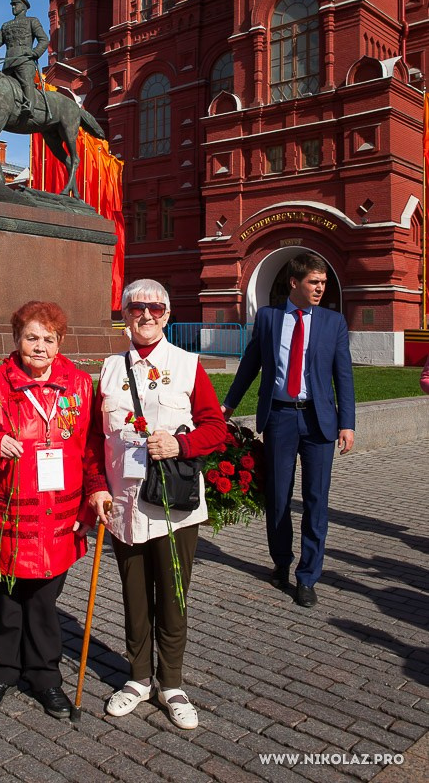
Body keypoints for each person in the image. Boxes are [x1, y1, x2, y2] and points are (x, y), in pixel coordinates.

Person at [86, 279, 227, 730]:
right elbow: (93, 439)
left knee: (173, 595)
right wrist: (96, 486)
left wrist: (182, 445)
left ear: (167, 315)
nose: (145, 316)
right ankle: (138, 677)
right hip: (124, 503)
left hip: (173, 505)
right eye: (135, 309)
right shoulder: (108, 370)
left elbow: (216, 428)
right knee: (132, 594)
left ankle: (172, 682)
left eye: (155, 309)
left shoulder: (187, 365)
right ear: (124, 315)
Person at [0, 301, 93, 720]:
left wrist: (95, 497)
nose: (40, 346)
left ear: (60, 343)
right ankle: (2, 671)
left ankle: (46, 677)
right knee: (10, 594)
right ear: (16, 340)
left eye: (49, 339)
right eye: (32, 337)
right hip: (12, 512)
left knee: (45, 597)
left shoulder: (80, 385)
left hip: (59, 512)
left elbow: (90, 448)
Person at [222, 252, 355, 609]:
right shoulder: (268, 319)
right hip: (280, 418)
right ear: (294, 283)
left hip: (319, 421)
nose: (320, 289)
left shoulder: (332, 322)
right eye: (314, 282)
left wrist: (347, 423)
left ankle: (308, 576)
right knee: (279, 496)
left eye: (323, 283)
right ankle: (281, 562)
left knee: (316, 500)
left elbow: (344, 374)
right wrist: (229, 404)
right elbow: (251, 363)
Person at [0, 0, 49, 114]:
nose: (13, 7)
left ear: (23, 7)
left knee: (26, 81)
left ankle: (29, 106)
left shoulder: (32, 21)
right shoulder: (6, 25)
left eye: (16, 4)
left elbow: (44, 39)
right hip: (9, 63)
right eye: (12, 5)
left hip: (24, 61)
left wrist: (35, 52)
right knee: (0, 86)